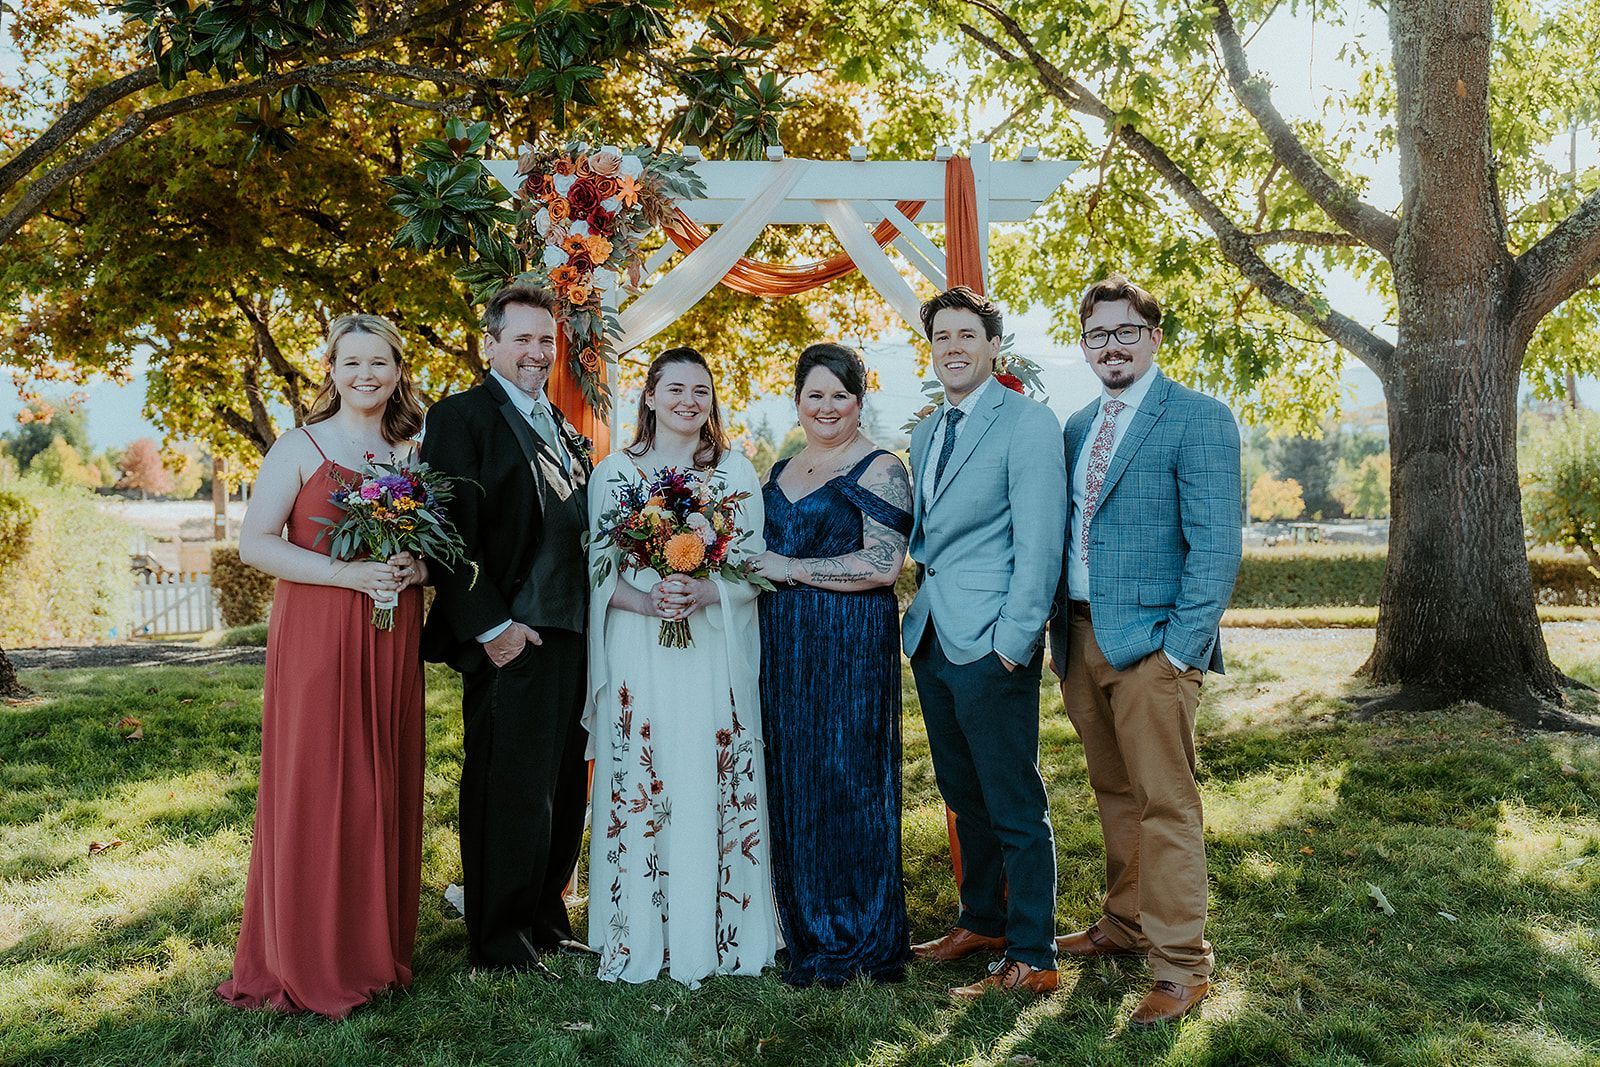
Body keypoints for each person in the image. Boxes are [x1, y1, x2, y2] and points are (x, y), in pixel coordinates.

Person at [218, 313, 429, 1018]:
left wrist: (413, 564)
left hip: (390, 632)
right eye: (351, 363)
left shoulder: (412, 452)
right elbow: (255, 543)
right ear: (331, 372)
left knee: (380, 781)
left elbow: (432, 549)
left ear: (398, 371)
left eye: (380, 363)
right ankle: (304, 956)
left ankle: (372, 952)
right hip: (318, 637)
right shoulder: (299, 446)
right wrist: (350, 575)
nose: (366, 375)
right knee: (320, 784)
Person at [1048, 275, 1242, 1027]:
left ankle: (1181, 966)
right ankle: (1125, 924)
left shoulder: (1197, 417)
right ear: (1086, 345)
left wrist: (1180, 652)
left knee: (1166, 804)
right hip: (1079, 637)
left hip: (1154, 646)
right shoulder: (1075, 426)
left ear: (1154, 336)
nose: (1112, 345)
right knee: (1114, 792)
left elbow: (1216, 547)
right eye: (1098, 335)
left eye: (1126, 330)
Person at [584, 346, 779, 986]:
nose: (689, 400)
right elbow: (592, 571)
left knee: (703, 765)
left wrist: (704, 592)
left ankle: (715, 929)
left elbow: (753, 567)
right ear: (649, 396)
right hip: (638, 648)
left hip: (711, 647)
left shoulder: (736, 472)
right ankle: (641, 927)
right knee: (649, 769)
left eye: (701, 389)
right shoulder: (614, 473)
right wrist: (647, 600)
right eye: (675, 388)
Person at [419, 284, 593, 975]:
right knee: (508, 788)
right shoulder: (461, 417)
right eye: (521, 338)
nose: (535, 351)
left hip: (572, 637)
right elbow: (447, 535)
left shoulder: (561, 423)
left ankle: (545, 921)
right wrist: (492, 626)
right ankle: (500, 941)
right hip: (510, 638)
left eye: (544, 340)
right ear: (489, 342)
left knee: (559, 785)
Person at [902, 286, 1069, 998]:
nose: (955, 348)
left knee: (1013, 800)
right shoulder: (926, 430)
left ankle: (1033, 952)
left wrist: (1014, 639)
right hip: (935, 634)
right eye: (942, 337)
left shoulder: (1027, 424)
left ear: (993, 346)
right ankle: (983, 918)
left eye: (967, 334)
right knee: (962, 793)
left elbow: (1040, 544)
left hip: (994, 639)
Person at [747, 342, 913, 987]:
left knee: (849, 780)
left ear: (859, 400)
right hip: (783, 646)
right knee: (795, 779)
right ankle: (805, 926)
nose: (826, 407)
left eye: (839, 396)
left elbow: (884, 566)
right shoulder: (783, 468)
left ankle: (863, 934)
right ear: (796, 402)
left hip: (848, 645)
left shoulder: (879, 468)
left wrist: (791, 569)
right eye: (813, 395)